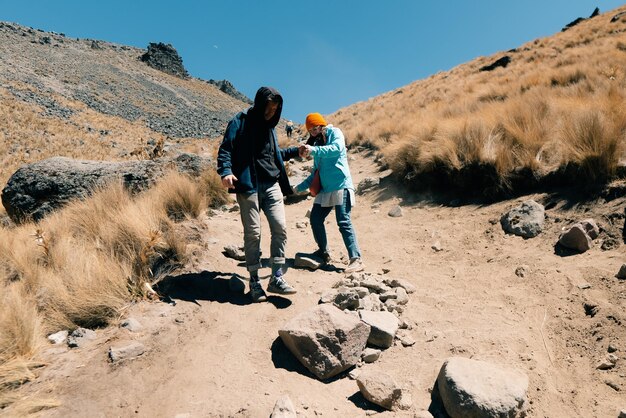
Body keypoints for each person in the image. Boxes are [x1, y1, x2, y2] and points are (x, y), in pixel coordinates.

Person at [217, 86, 300, 302]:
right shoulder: (240, 121)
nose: (271, 113)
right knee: (253, 233)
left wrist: (294, 151)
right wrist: (225, 171)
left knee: (280, 227)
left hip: (271, 184)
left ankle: (277, 277)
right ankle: (254, 280)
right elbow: (226, 149)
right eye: (268, 108)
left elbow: (272, 155)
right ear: (260, 103)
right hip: (248, 186)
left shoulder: (270, 127)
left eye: (275, 109)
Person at [294, 113, 364, 273]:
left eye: (314, 128)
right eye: (309, 130)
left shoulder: (335, 133)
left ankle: (356, 259)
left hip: (341, 185)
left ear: (320, 125)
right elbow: (315, 173)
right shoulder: (317, 143)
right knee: (315, 219)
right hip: (325, 189)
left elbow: (337, 149)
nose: (312, 132)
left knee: (343, 221)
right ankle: (323, 252)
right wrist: (298, 188)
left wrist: (314, 149)